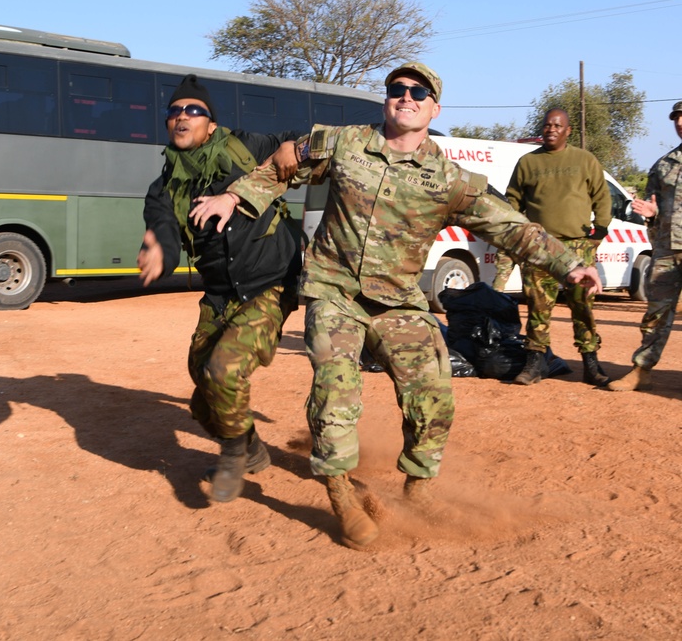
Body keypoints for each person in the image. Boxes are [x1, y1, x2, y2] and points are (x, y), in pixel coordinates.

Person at [223, 62, 602, 548]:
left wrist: (569, 263)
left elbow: (509, 225)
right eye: (397, 89)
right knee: (336, 385)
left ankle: (419, 486)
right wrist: (234, 199)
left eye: (418, 92)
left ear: (434, 108)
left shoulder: (450, 179)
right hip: (334, 290)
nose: (406, 96)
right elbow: (282, 165)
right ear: (387, 100)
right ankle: (340, 492)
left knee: (432, 392)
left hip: (399, 301)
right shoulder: (343, 142)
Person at [137, 74, 301, 504]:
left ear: (211, 123)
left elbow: (302, 140)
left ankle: (234, 457)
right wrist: (157, 249)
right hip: (219, 293)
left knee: (223, 372)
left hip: (269, 282)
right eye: (174, 111)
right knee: (202, 393)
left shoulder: (245, 147)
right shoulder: (163, 188)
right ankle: (252, 448)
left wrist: (290, 147)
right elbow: (164, 232)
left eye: (193, 110)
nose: (182, 117)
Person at [505, 108, 612, 386]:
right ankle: (535, 363)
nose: (551, 129)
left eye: (557, 125)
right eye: (547, 125)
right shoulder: (527, 162)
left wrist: (597, 233)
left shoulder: (585, 160)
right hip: (539, 246)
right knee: (538, 306)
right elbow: (512, 201)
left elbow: (602, 196)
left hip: (578, 246)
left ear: (568, 130)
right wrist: (519, 236)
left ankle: (591, 363)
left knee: (582, 305)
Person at [608, 100, 682, 392]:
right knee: (656, 313)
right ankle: (642, 370)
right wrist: (651, 215)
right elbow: (651, 206)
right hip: (666, 251)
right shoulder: (664, 165)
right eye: (676, 118)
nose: (679, 123)